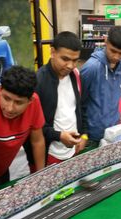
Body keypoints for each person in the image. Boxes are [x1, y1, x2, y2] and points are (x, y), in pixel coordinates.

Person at [0, 66, 45, 194]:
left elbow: (37, 141)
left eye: (18, 102)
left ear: (30, 101)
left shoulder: (35, 102)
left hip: (3, 171)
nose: (10, 108)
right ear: (0, 90)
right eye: (6, 98)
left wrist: (41, 177)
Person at [34, 31, 87, 166]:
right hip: (50, 155)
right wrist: (59, 136)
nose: (70, 65)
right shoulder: (38, 81)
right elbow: (35, 127)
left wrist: (84, 135)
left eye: (75, 60)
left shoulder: (75, 74)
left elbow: (81, 107)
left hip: (74, 150)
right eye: (65, 59)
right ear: (52, 52)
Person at [81, 26, 121, 146]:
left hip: (113, 132)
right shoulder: (91, 68)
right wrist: (83, 133)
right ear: (106, 42)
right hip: (91, 137)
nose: (116, 57)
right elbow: (79, 103)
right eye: (113, 51)